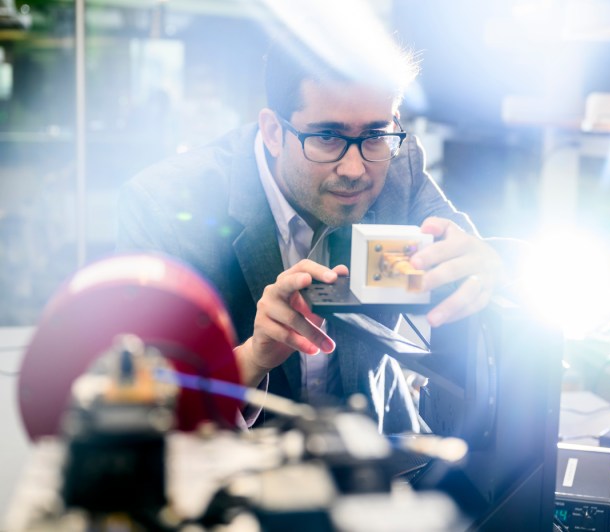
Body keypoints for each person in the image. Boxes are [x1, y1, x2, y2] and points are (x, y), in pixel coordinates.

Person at [116, 30, 521, 432]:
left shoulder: (398, 168)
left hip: (382, 456)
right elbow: (152, 404)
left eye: (376, 134)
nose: (354, 169)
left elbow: (473, 258)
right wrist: (254, 357)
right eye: (327, 137)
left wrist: (490, 265)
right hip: (239, 473)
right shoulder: (166, 208)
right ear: (274, 132)